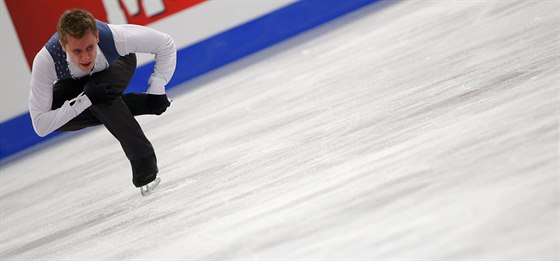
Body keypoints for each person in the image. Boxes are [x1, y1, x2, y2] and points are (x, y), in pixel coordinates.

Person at [29, 9, 176, 196]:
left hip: (118, 63)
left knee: (101, 98)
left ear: (97, 37)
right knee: (64, 111)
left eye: (90, 47)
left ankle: (144, 164)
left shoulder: (116, 38)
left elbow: (165, 43)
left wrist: (157, 86)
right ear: (63, 45)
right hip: (74, 83)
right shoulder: (46, 61)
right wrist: (86, 99)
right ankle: (141, 104)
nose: (85, 57)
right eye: (77, 51)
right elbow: (41, 125)